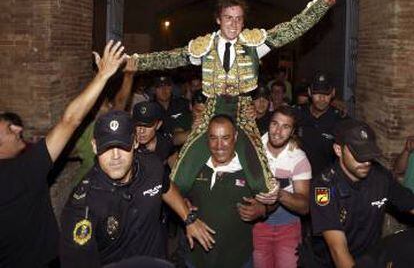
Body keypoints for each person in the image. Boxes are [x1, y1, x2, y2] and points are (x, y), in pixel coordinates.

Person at [132, 0, 337, 195]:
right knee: (182, 174)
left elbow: (291, 29)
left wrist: (324, 1)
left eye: (239, 19)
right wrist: (132, 63)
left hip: (243, 111)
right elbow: (169, 57)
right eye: (228, 18)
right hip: (212, 109)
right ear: (219, 19)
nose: (234, 24)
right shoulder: (204, 46)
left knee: (262, 182)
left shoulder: (254, 43)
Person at [0, 40, 127, 268]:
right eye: (9, 129)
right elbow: (70, 121)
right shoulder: (20, 173)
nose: (19, 128)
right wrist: (103, 75)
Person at [60, 110, 215, 268]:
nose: (115, 156)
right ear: (94, 146)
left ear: (134, 142)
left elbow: (165, 187)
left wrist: (188, 218)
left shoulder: (152, 166)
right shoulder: (82, 208)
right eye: (107, 147)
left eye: (122, 146)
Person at [310, 119, 414, 268]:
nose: (366, 162)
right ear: (338, 150)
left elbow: (409, 202)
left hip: (369, 258)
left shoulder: (381, 177)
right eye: (359, 155)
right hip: (330, 263)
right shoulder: (324, 188)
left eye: (369, 154)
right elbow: (338, 250)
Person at [185, 114, 258, 268]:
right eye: (213, 138)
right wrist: (184, 208)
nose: (219, 145)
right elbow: (174, 192)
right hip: (197, 257)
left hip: (237, 258)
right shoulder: (193, 165)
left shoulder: (251, 166)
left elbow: (271, 197)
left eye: (225, 137)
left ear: (236, 137)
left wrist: (263, 209)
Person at [251, 106, 311, 268]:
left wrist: (279, 195)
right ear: (268, 123)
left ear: (292, 132)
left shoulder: (298, 159)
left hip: (288, 228)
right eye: (275, 124)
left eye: (285, 127)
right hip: (257, 226)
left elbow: (305, 206)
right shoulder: (254, 149)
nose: (277, 131)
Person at [73, 56, 138, 185]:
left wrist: (128, 76)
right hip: (87, 185)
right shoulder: (84, 129)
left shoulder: (107, 121)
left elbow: (119, 104)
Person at [296, 71, 345, 177]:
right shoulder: (298, 113)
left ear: (333, 93)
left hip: (325, 182)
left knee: (322, 194)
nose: (321, 98)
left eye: (326, 93)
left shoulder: (341, 121)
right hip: (298, 179)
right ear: (309, 92)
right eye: (317, 93)